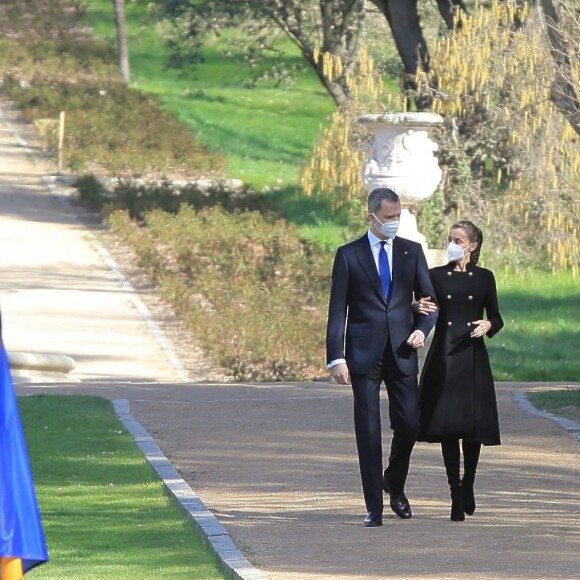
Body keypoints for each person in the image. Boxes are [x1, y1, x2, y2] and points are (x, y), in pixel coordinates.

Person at [326, 187, 438, 527]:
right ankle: (373, 506)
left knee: (410, 423)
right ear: (371, 217)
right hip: (363, 353)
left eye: (397, 216)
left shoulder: (412, 251)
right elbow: (337, 312)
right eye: (389, 217)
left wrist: (422, 328)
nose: (394, 222)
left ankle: (395, 481)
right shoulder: (348, 255)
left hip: (403, 350)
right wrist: (336, 357)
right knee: (369, 431)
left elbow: (430, 303)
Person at [416, 220, 504, 521]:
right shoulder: (435, 276)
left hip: (472, 355)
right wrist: (417, 308)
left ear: (472, 245)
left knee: (472, 426)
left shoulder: (484, 278)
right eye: (450, 238)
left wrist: (489, 324)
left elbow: (496, 316)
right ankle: (454, 490)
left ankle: (469, 483)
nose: (453, 243)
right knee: (449, 426)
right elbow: (424, 308)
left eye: (458, 239)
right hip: (444, 355)